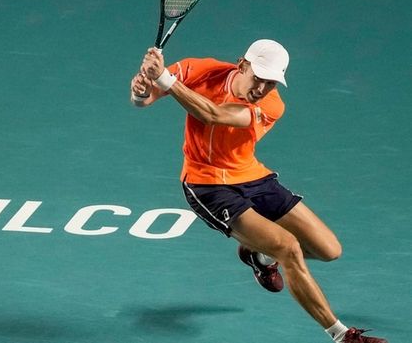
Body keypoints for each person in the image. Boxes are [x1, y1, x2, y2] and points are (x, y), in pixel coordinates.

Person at [130, 40, 387, 343]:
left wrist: (165, 79)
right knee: (288, 247)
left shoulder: (272, 105)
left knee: (330, 250)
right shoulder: (200, 70)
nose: (263, 87)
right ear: (242, 66)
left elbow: (214, 114)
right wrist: (143, 87)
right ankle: (341, 334)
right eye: (259, 77)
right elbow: (144, 100)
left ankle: (259, 255)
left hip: (252, 176)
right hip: (207, 184)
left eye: (271, 82)